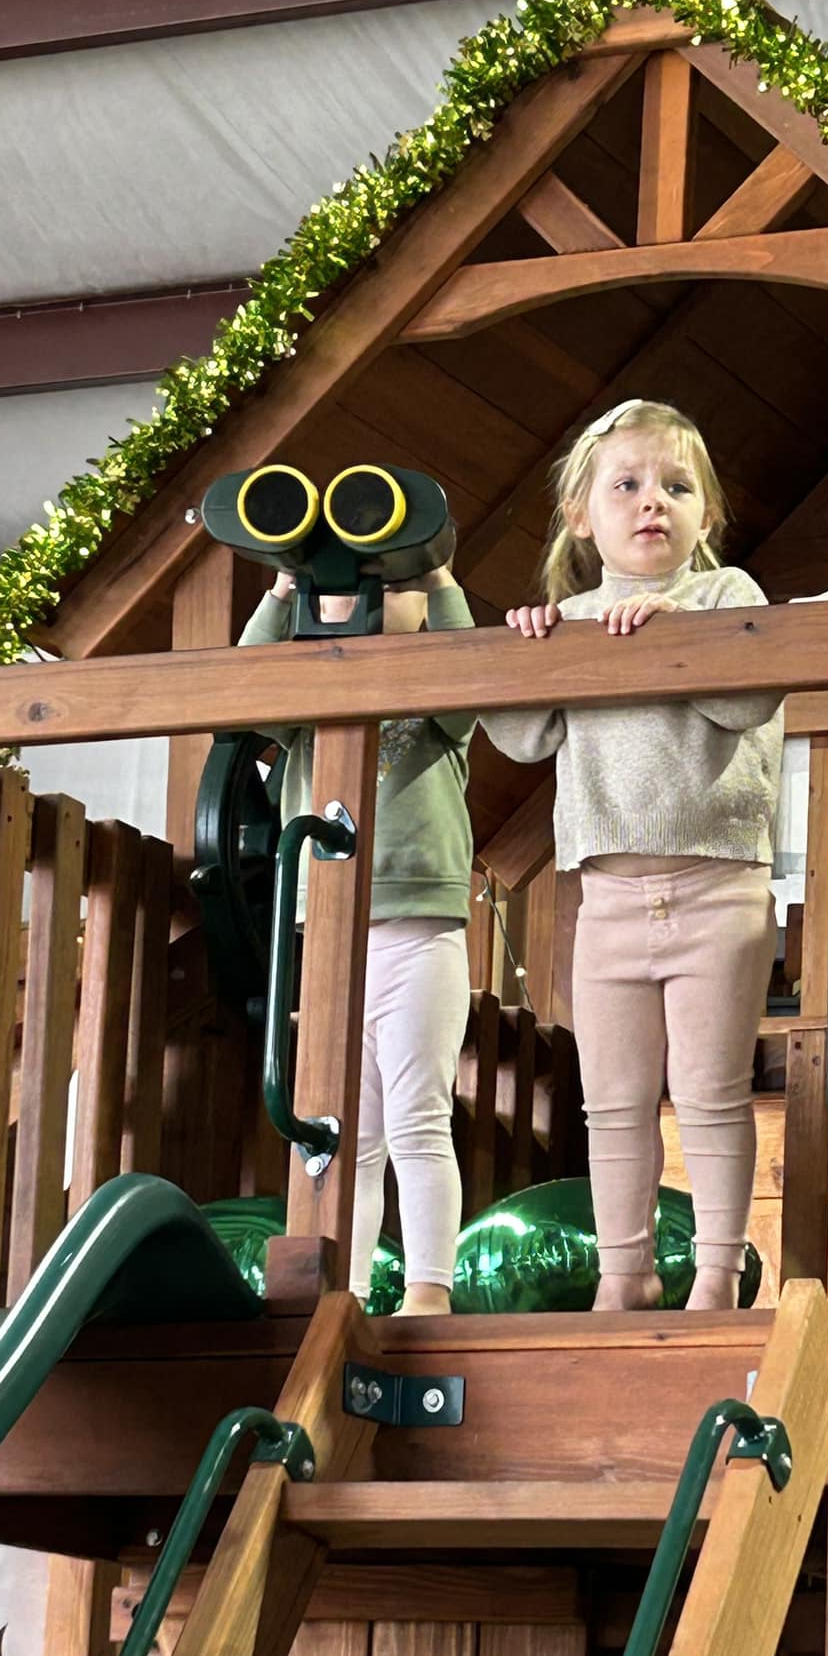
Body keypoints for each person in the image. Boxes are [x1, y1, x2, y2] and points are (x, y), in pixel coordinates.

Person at [481, 399, 782, 1312]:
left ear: (706, 516)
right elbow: (522, 735)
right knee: (610, 1102)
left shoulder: (728, 597)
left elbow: (745, 706)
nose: (654, 501)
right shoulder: (571, 617)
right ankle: (626, 1275)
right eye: (628, 485)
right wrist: (534, 651)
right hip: (607, 899)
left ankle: (720, 1275)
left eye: (677, 487)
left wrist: (674, 635)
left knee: (709, 1093)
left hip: (717, 886)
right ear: (584, 516)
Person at [238, 551, 475, 1316]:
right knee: (346, 1134)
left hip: (419, 934)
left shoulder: (439, 700)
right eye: (336, 591)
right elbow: (246, 685)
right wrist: (280, 589)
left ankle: (429, 1289)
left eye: (390, 588)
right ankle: (353, 1292)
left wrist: (438, 579)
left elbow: (473, 669)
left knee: (417, 1120)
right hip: (333, 934)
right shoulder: (307, 703)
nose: (363, 604)